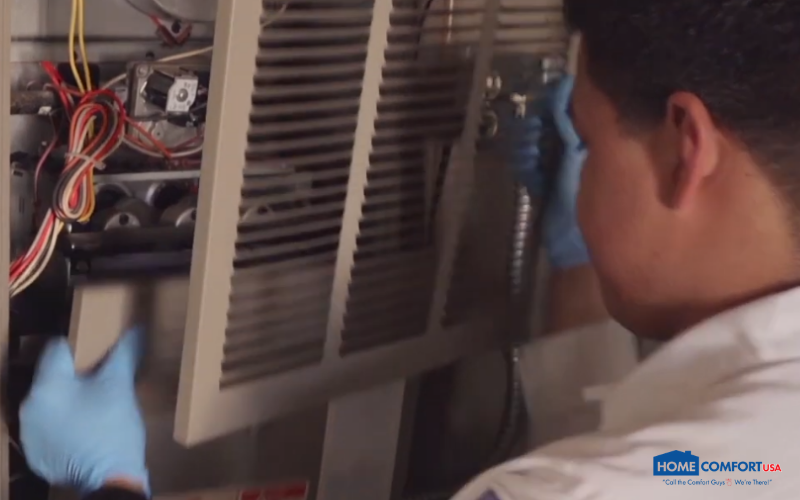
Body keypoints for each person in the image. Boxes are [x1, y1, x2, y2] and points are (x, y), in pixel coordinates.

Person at [18, 0, 800, 498]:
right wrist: (576, 269)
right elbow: (682, 459)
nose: (578, 182)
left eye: (590, 145)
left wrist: (109, 486)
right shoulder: (745, 456)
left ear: (685, 148)